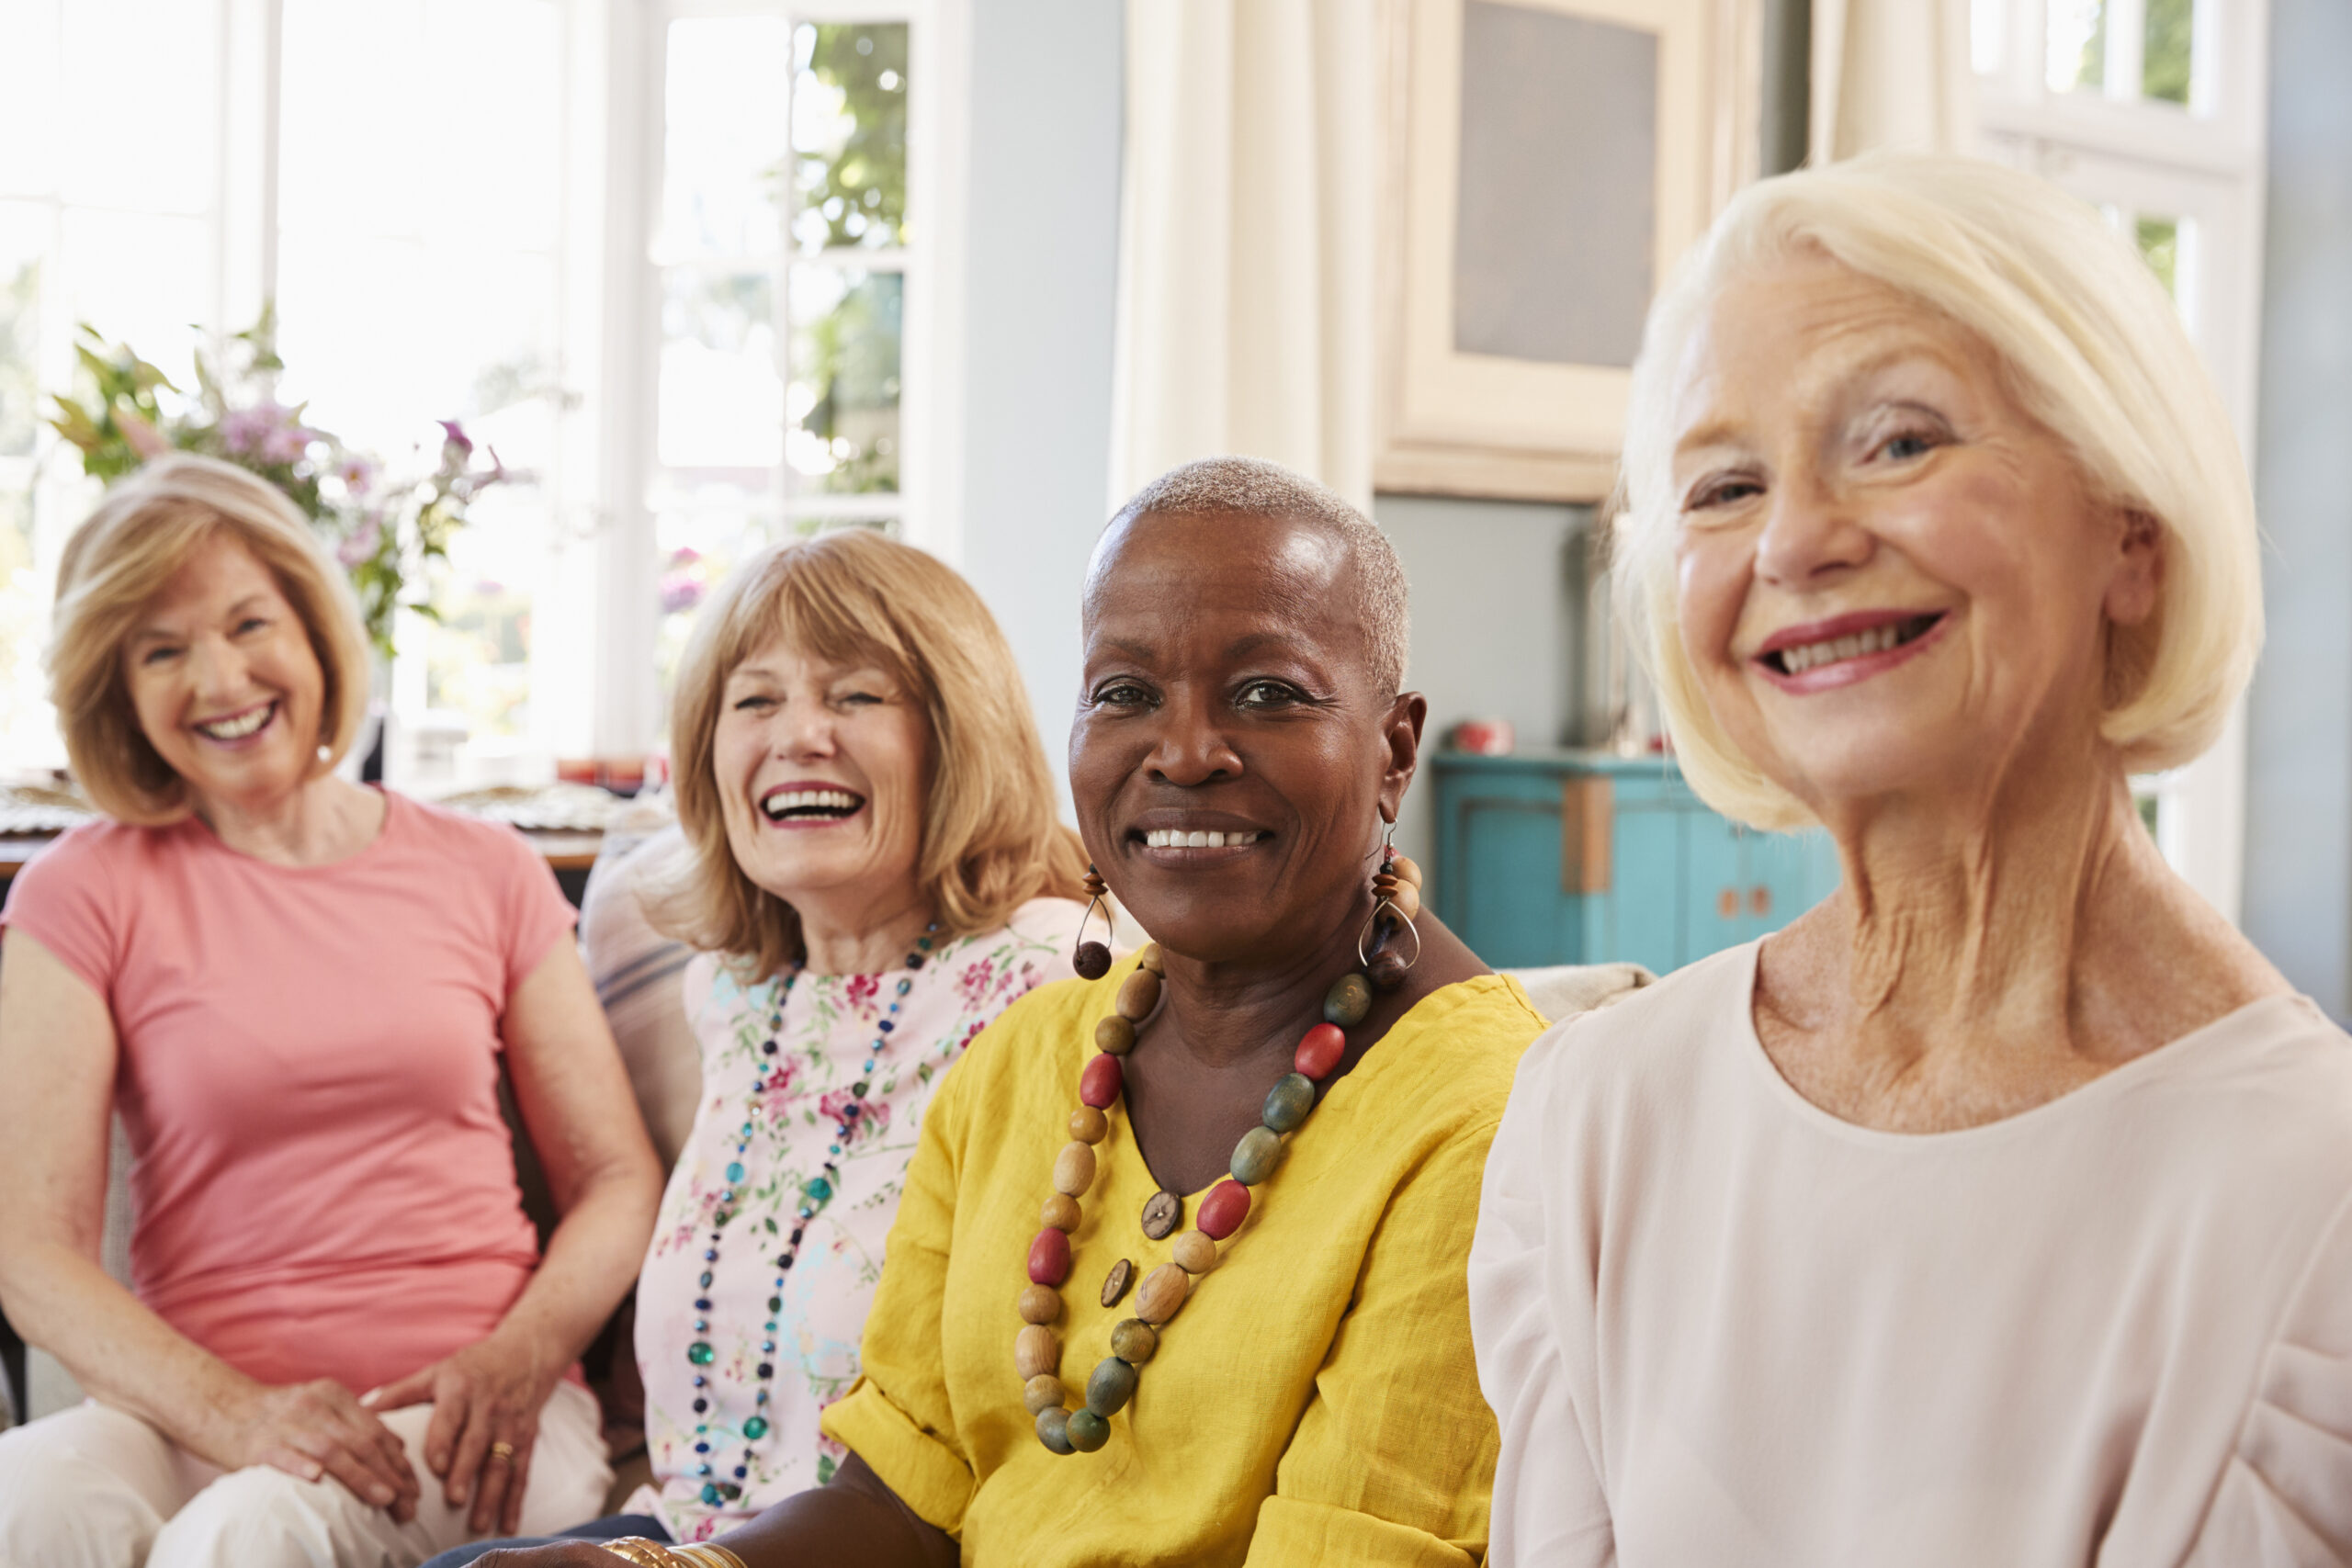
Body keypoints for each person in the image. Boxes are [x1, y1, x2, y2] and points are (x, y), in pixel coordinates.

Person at [1469, 152, 2352, 1565]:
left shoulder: (2316, 1199)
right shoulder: (1594, 1116)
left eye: (1898, 441)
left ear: (2132, 532)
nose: (1800, 539)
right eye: (1724, 486)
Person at [456, 457, 1548, 1568]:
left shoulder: (1489, 1114)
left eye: (1266, 693)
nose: (1181, 753)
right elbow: (903, 1494)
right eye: (1124, 693)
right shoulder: (1027, 1064)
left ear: (1393, 750)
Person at [0, 454, 664, 1567]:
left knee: (252, 1534)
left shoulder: (485, 869)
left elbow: (615, 1177)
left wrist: (520, 1356)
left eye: (249, 623)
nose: (218, 680)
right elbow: (32, 1252)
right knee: (27, 1495)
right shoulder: (77, 890)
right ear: (116, 688)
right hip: (202, 1417)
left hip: (474, 1422)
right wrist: (239, 1417)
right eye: (161, 650)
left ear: (313, 630)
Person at [424, 529, 1095, 1562]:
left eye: (857, 696)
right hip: (686, 1538)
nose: (800, 736)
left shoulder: (1052, 982)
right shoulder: (732, 994)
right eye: (756, 701)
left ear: (956, 734)